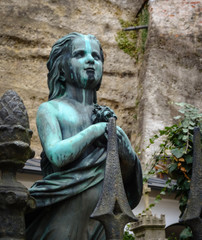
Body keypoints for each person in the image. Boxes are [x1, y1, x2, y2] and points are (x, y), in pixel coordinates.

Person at [26, 32, 142, 240]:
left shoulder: (105, 116)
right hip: (62, 213)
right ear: (61, 69)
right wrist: (96, 130)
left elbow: (121, 178)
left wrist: (128, 157)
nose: (90, 59)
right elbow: (56, 155)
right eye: (80, 54)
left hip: (102, 220)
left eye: (96, 57)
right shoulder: (51, 109)